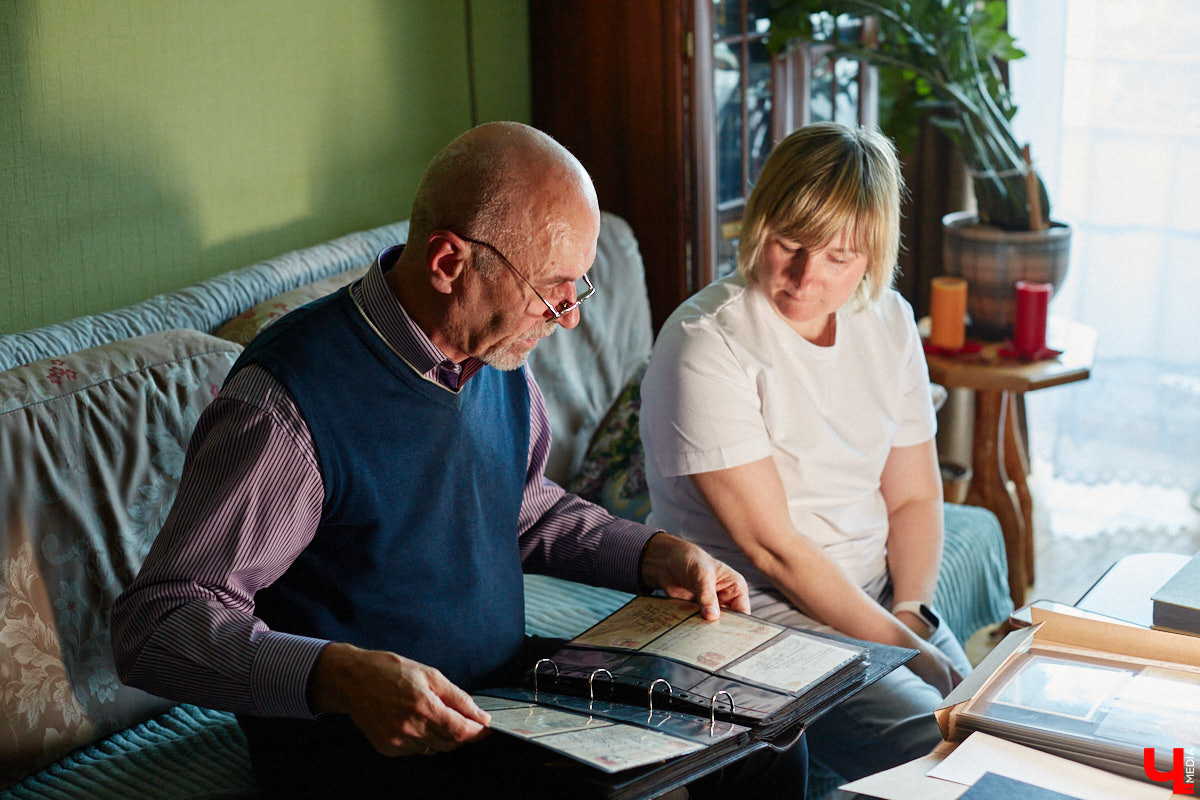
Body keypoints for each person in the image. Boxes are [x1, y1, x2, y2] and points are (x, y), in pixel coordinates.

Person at [111, 122, 806, 799]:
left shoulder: (495, 351)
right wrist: (341, 677)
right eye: (552, 288)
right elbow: (160, 624)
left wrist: (653, 553)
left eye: (578, 286)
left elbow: (522, 505)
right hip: (363, 740)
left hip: (498, 687)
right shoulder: (287, 405)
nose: (568, 317)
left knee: (764, 731)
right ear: (449, 264)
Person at [639, 122, 971, 781]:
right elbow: (774, 551)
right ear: (759, 222)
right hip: (753, 612)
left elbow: (913, 494)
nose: (804, 276)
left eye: (838, 258)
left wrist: (910, 609)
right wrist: (912, 653)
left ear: (873, 255)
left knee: (997, 726)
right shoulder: (706, 342)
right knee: (941, 751)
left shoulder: (890, 321)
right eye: (788, 243)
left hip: (873, 595)